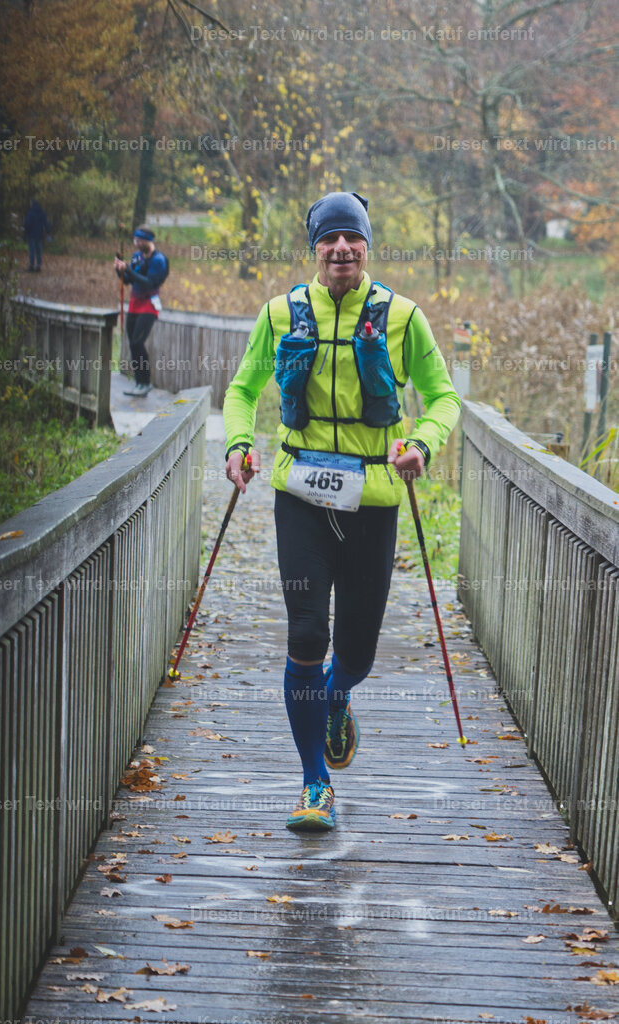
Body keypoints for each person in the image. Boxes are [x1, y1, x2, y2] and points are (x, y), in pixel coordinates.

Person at [223, 191, 460, 831]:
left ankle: (337, 699)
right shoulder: (279, 314)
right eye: (328, 240)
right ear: (314, 249)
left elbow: (443, 399)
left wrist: (421, 444)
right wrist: (240, 444)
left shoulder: (403, 317)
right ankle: (315, 784)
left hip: (374, 501)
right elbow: (243, 389)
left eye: (351, 239)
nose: (340, 250)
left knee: (355, 651)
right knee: (306, 635)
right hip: (299, 495)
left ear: (367, 246)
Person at [114, 226, 169, 397]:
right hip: (134, 303)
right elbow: (129, 280)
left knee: (138, 342)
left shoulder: (158, 260)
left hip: (149, 305)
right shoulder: (137, 257)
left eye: (139, 241)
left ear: (147, 241)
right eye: (135, 240)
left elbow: (150, 282)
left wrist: (129, 270)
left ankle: (145, 382)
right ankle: (139, 383)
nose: (136, 244)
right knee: (133, 343)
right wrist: (120, 270)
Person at [24, 199, 51, 272]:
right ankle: (39, 266)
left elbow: (27, 223)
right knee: (39, 251)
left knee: (32, 250)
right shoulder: (42, 212)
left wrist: (26, 232)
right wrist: (48, 232)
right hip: (39, 234)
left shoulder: (30, 213)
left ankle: (31, 266)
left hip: (31, 235)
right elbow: (46, 223)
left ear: (32, 204)